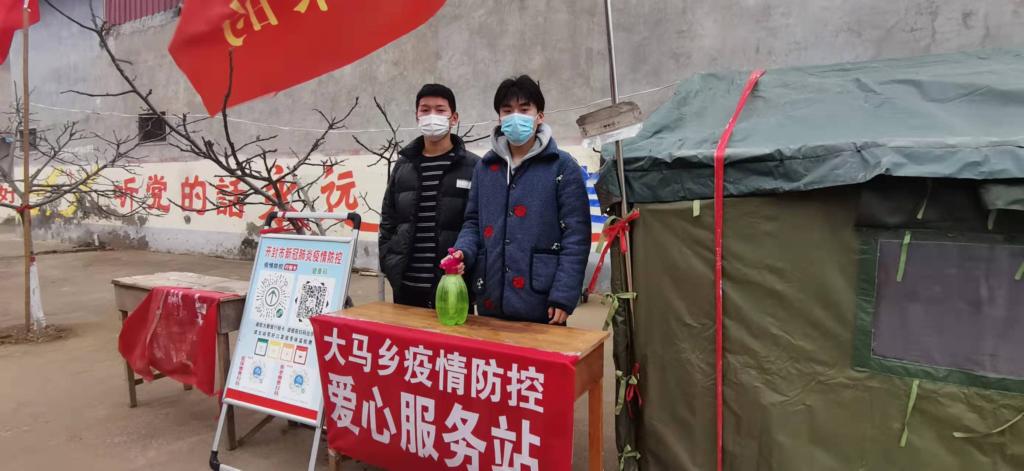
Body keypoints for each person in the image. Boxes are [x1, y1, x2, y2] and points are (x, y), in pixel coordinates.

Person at [444, 75, 590, 325]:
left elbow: (576, 235)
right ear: (499, 118)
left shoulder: (562, 166)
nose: (515, 116)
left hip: (542, 300)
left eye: (524, 110)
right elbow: (473, 222)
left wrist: (564, 295)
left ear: (539, 116)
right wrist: (462, 251)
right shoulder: (485, 167)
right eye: (507, 110)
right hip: (490, 294)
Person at [378, 84, 480, 309]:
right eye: (425, 110)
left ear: (454, 118)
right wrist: (389, 261)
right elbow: (388, 220)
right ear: (417, 116)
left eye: (440, 110)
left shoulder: (474, 167)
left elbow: (479, 225)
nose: (432, 116)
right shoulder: (403, 166)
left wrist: (469, 272)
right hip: (406, 287)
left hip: (453, 287)